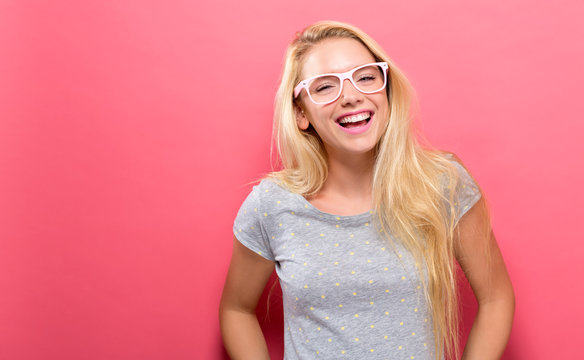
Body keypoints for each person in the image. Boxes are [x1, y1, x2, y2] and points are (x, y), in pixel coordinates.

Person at [219, 20, 514, 360]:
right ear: (301, 113)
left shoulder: (443, 184)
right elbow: (236, 309)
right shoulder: (272, 205)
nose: (351, 96)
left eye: (366, 77)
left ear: (386, 90)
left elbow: (496, 298)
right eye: (325, 86)